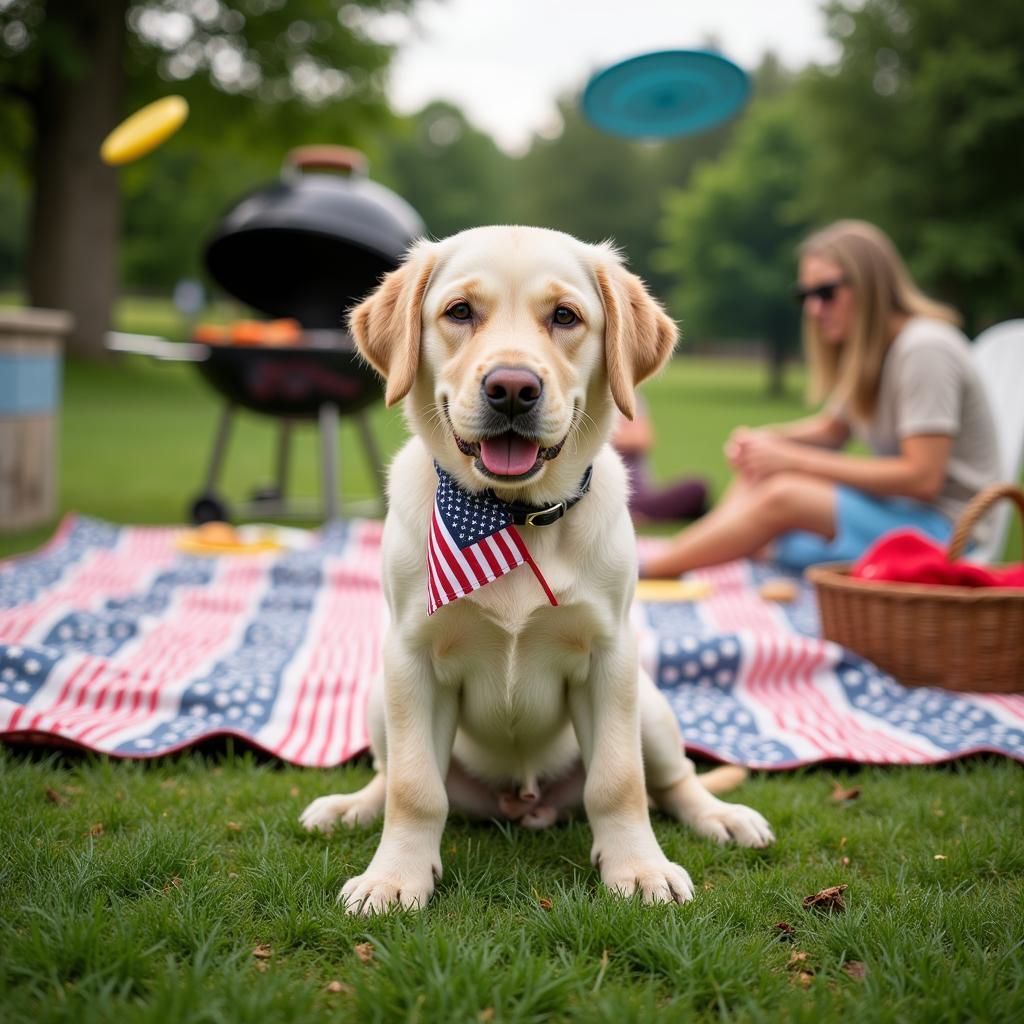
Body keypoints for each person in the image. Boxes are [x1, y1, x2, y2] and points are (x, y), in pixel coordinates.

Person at [640, 219, 1001, 578]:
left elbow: (922, 478)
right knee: (762, 477)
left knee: (783, 497)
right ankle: (677, 555)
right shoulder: (872, 352)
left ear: (871, 285)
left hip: (948, 535)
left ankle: (649, 572)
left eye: (826, 293)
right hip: (899, 514)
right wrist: (767, 442)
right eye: (805, 296)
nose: (813, 309)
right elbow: (832, 430)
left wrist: (791, 459)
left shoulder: (924, 350)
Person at [612, 396, 709, 521]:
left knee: (697, 488)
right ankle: (634, 513)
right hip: (621, 496)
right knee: (696, 489)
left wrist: (603, 435)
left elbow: (641, 439)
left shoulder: (631, 397)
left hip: (644, 493)